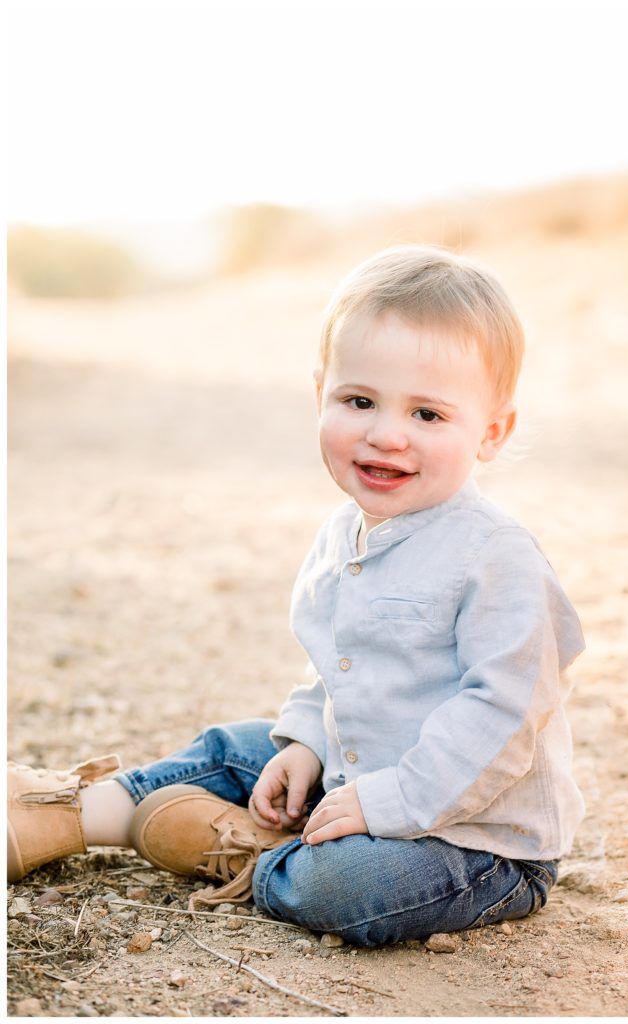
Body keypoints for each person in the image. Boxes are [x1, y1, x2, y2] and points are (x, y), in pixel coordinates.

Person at [8, 245, 585, 947]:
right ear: (322, 396)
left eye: (428, 415)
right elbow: (339, 667)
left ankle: (256, 853)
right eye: (359, 400)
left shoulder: (495, 556)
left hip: (477, 841)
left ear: (491, 432)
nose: (386, 433)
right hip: (359, 774)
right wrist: (308, 742)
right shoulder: (346, 533)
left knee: (344, 887)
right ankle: (71, 815)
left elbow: (506, 717)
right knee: (236, 748)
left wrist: (390, 801)